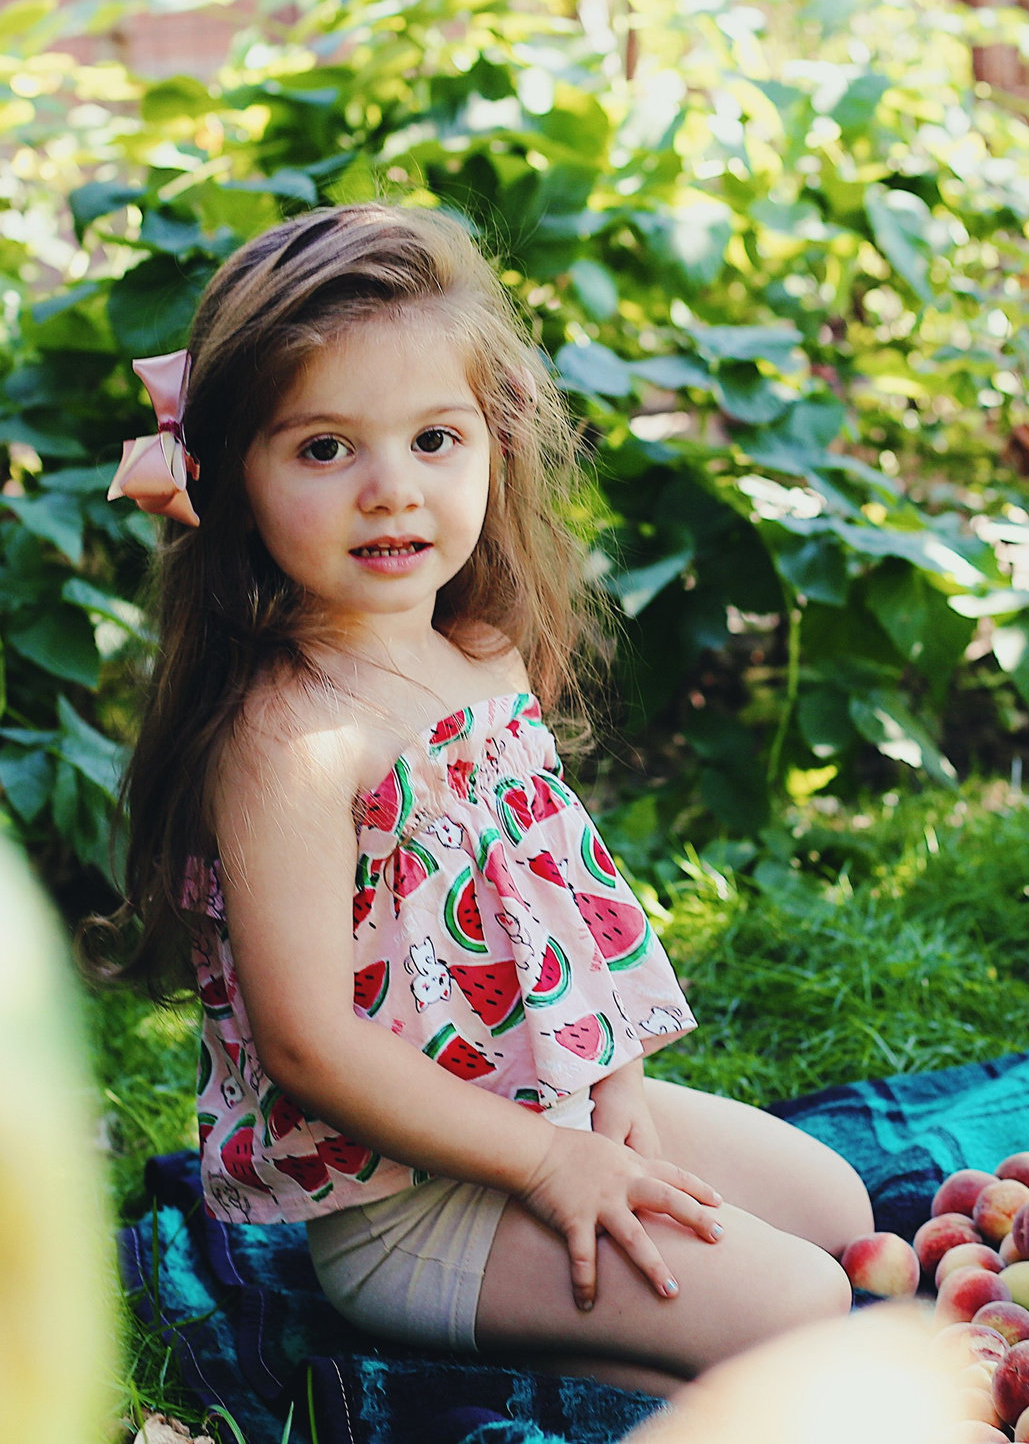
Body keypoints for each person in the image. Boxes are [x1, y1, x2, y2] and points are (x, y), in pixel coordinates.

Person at [102, 203, 871, 1394]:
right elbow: (311, 1046)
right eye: (323, 449)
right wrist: (551, 1166)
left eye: (433, 440)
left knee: (837, 1210)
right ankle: (615, 1376)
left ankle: (640, 1351)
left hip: (550, 1106)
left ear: (492, 442)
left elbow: (559, 911)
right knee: (803, 1305)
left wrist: (611, 1095)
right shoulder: (290, 737)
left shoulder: (478, 658)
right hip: (407, 1203)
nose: (389, 491)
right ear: (230, 476)